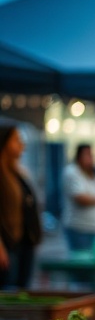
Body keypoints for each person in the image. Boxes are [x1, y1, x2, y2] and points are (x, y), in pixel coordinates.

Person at [0, 120, 42, 289]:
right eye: (16, 139)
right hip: (8, 245)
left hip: (24, 243)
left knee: (22, 292)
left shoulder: (18, 172)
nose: (22, 144)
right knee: (8, 294)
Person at [62, 144, 95, 251]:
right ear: (79, 156)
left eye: (92, 155)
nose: (91, 158)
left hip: (94, 228)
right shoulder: (72, 172)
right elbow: (80, 197)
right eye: (87, 155)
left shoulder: (93, 174)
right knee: (81, 263)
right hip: (79, 228)